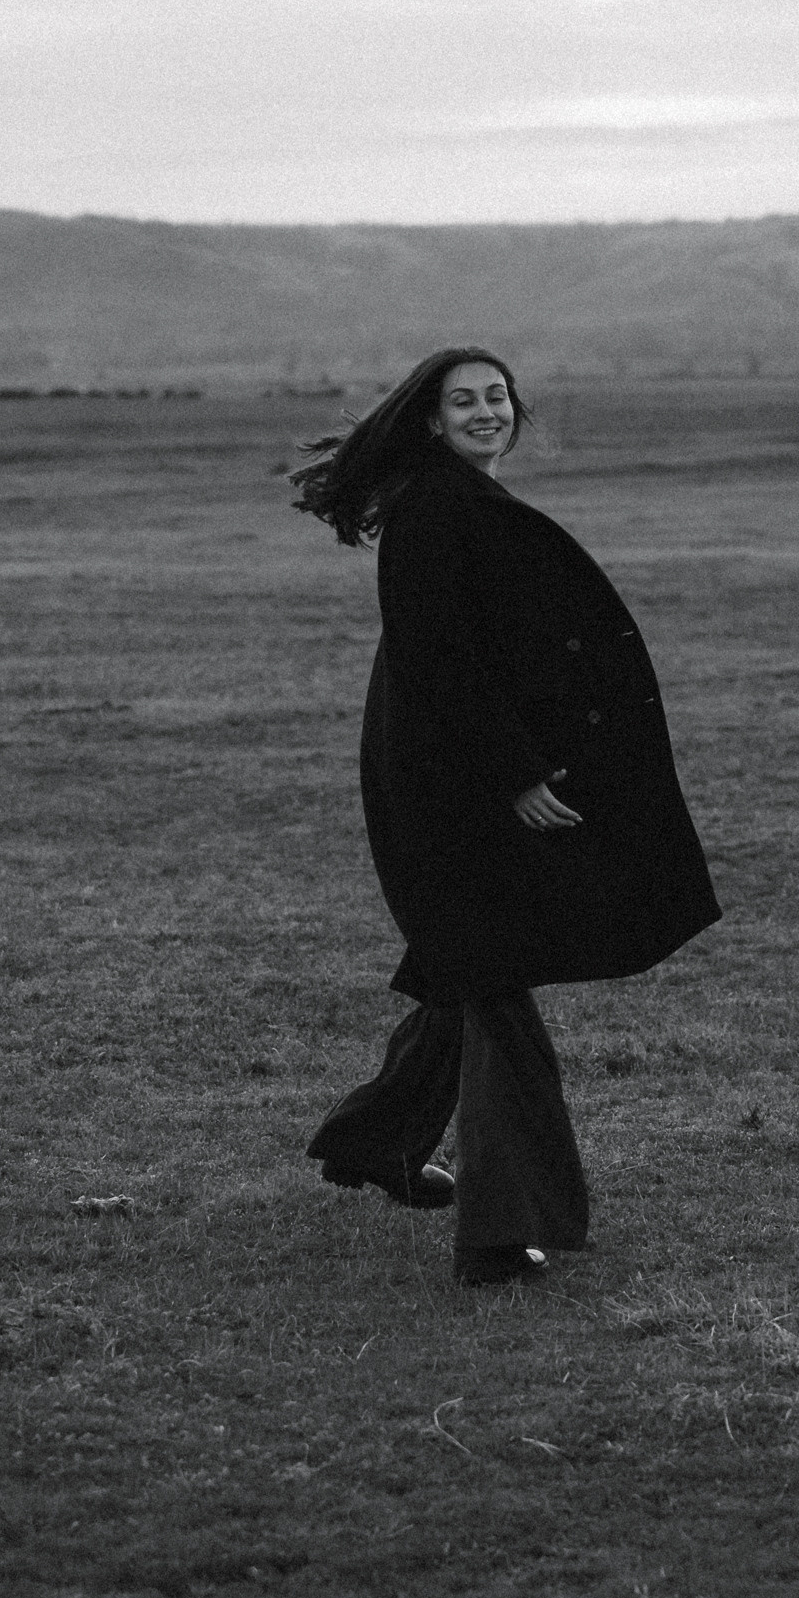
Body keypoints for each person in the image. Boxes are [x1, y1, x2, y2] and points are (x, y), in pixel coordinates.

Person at [291, 347, 719, 1285]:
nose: (486, 412)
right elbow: (440, 666)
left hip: (453, 772)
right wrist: (514, 774)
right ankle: (499, 1236)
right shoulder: (436, 513)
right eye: (464, 401)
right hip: (449, 789)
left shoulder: (459, 500)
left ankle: (374, 1142)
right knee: (492, 982)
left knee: (468, 964)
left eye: (497, 397)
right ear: (431, 419)